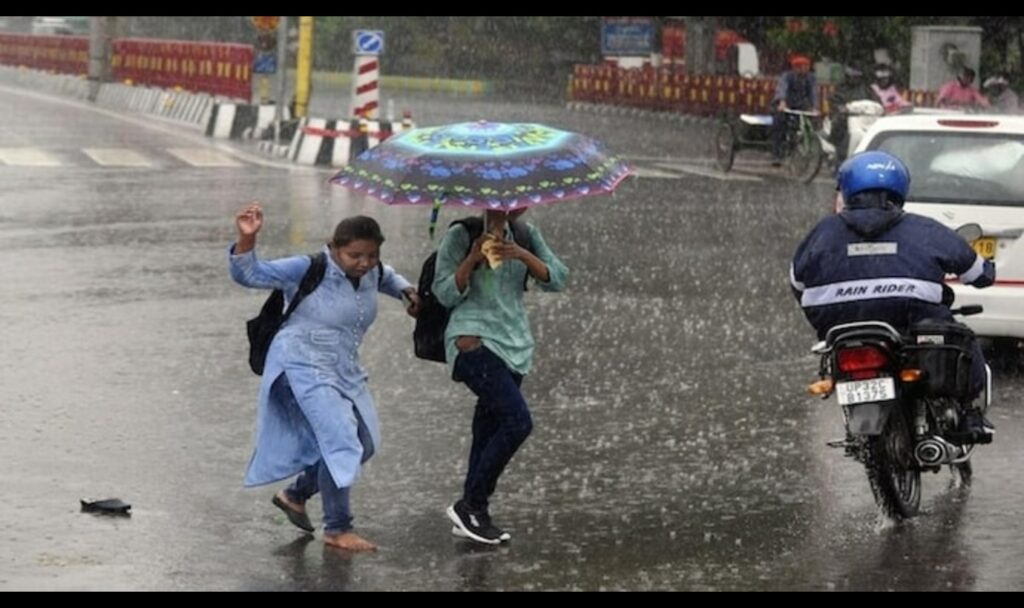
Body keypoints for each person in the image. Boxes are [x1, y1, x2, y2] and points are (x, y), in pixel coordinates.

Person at [228, 202, 421, 551]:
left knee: (363, 442)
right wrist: (247, 240)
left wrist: (407, 292)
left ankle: (295, 495)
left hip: (343, 368)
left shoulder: (373, 272)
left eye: (372, 255)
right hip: (299, 363)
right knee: (341, 439)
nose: (364, 263)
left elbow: (390, 277)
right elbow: (250, 274)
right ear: (334, 248)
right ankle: (337, 528)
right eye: (354, 255)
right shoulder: (307, 267)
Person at [790, 151, 995, 442]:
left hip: (839, 323)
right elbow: (978, 273)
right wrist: (987, 272)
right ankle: (970, 416)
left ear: (847, 189)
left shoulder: (822, 232)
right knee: (960, 341)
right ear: (900, 188)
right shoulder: (924, 229)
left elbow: (797, 282)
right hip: (909, 317)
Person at [432, 209, 568, 544]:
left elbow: (558, 278)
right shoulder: (461, 235)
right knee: (517, 421)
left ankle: (473, 513)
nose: (508, 206)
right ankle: (471, 505)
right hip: (472, 341)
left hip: (515, 345)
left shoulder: (525, 234)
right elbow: (444, 292)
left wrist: (523, 254)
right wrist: (473, 258)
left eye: (517, 201)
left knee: (488, 426)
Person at [771, 54, 819, 165]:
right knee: (779, 125)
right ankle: (777, 154)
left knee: (807, 123)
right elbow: (782, 88)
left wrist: (815, 107)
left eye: (807, 66)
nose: (806, 69)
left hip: (800, 106)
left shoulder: (810, 78)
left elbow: (813, 93)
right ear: (796, 67)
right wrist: (782, 102)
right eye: (803, 66)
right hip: (784, 106)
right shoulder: (787, 76)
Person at [829, 66, 873, 164]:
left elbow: (876, 103)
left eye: (857, 77)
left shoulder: (866, 89)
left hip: (863, 120)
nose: (854, 79)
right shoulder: (841, 89)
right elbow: (834, 101)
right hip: (845, 120)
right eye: (852, 77)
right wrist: (841, 108)